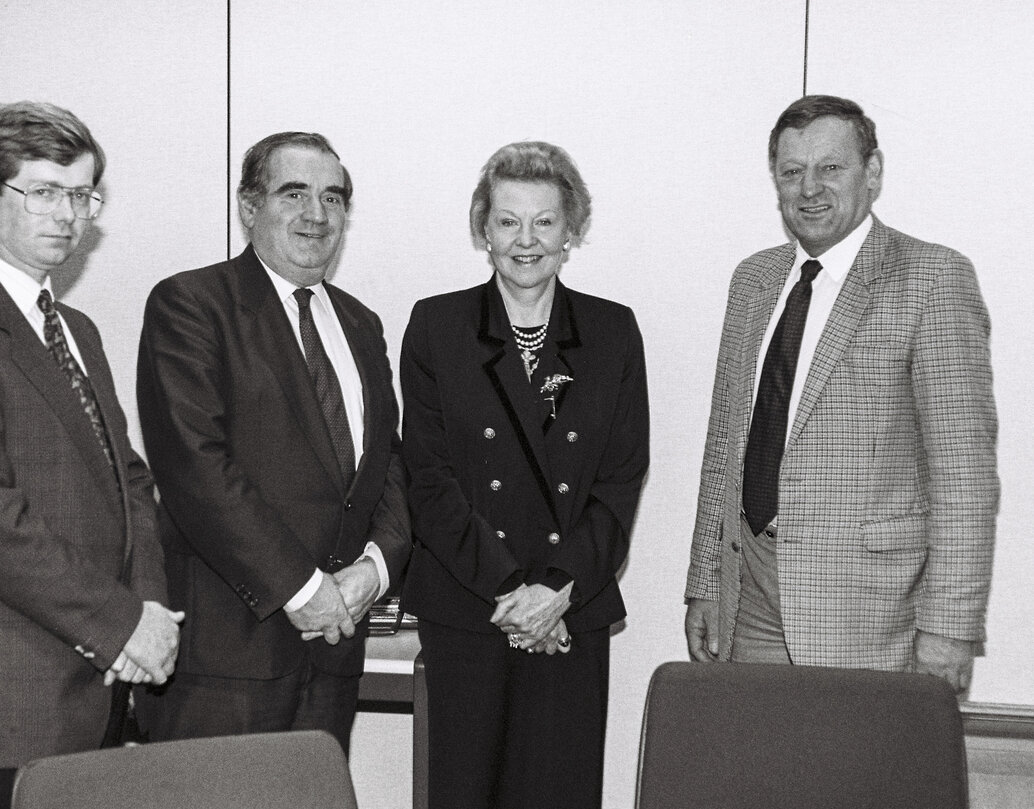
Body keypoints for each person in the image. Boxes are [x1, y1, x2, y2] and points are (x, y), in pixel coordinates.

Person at [0, 101, 182, 809]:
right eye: (44, 191)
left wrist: (150, 609)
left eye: (81, 195)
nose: (68, 216)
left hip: (107, 685)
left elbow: (127, 484)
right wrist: (122, 626)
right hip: (12, 699)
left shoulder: (74, 326)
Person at [684, 95, 998, 694]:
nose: (810, 189)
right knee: (762, 778)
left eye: (831, 168)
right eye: (791, 171)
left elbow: (964, 475)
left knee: (858, 781)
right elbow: (725, 441)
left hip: (872, 615)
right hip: (748, 596)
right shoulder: (753, 279)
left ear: (872, 172)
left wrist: (951, 629)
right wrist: (705, 580)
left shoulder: (931, 278)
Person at [135, 131, 410, 754]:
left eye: (334, 199)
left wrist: (377, 565)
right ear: (248, 206)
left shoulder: (361, 324)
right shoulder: (191, 305)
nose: (317, 214)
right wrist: (304, 590)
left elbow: (387, 462)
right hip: (226, 661)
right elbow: (195, 467)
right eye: (295, 194)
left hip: (335, 654)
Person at [400, 141, 650, 809]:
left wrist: (557, 589)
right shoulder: (438, 325)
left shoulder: (610, 331)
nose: (526, 240)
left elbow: (620, 481)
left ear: (572, 230)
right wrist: (517, 593)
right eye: (508, 220)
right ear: (484, 230)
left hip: (572, 608)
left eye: (545, 221)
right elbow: (429, 479)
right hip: (471, 608)